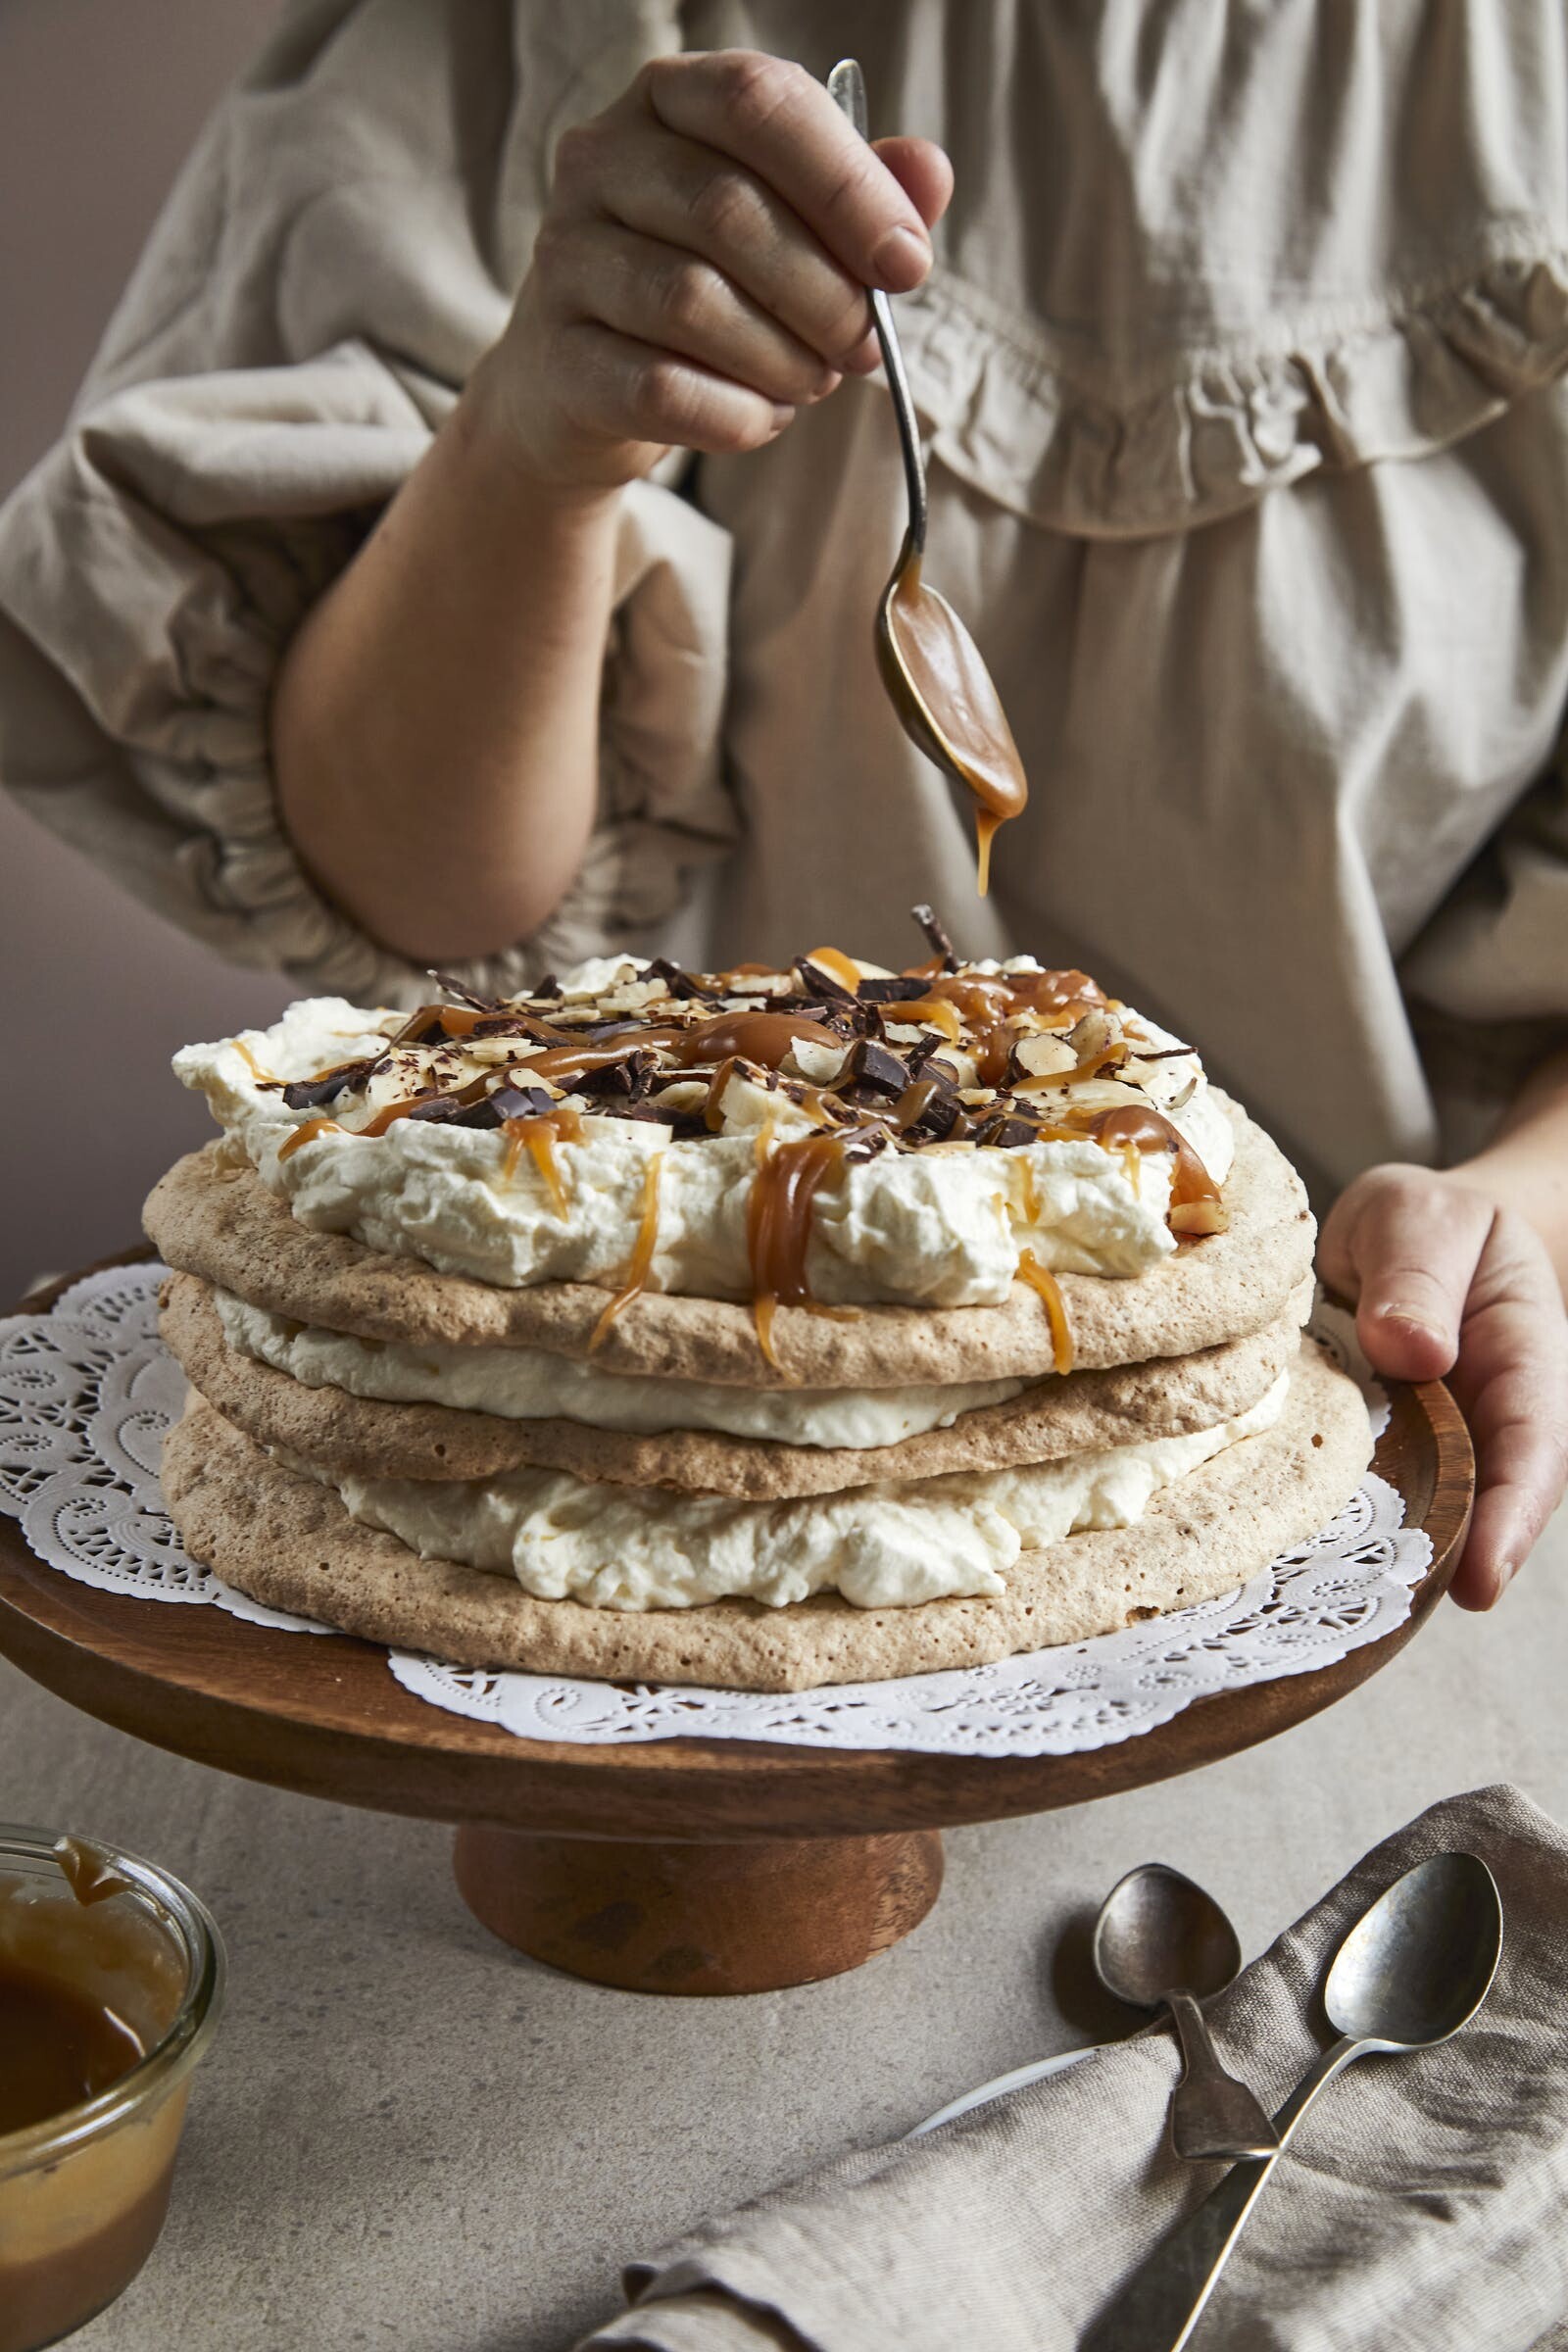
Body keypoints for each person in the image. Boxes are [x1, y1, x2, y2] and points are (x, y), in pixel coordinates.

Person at [1, 2, 1564, 1607]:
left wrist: (1524, 1206)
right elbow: (416, 892)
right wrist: (534, 445)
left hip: (1374, 1437)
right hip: (558, 1441)